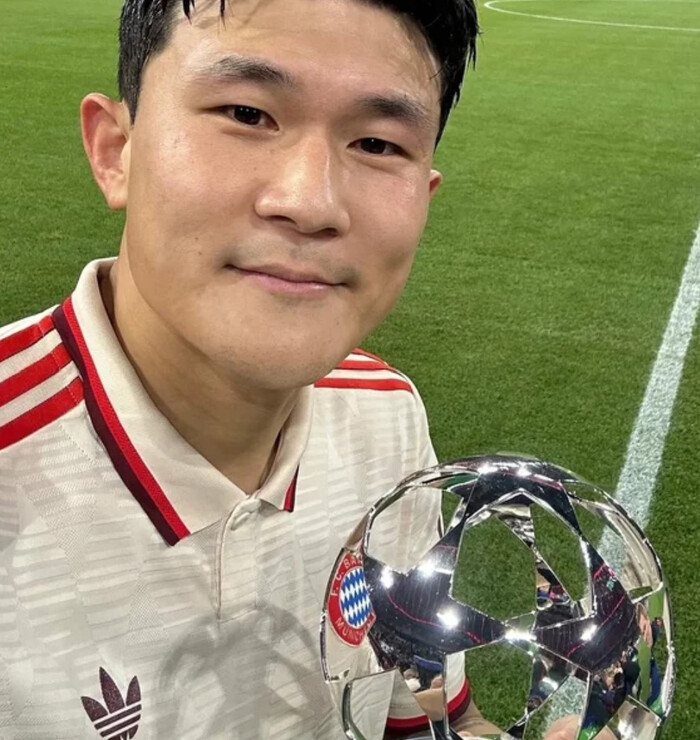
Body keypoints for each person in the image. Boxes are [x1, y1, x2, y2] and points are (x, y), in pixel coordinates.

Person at [0, 1, 591, 737]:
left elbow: (421, 714)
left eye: (377, 144)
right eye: (246, 114)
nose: (310, 203)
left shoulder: (387, 417)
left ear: (425, 196)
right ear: (115, 150)